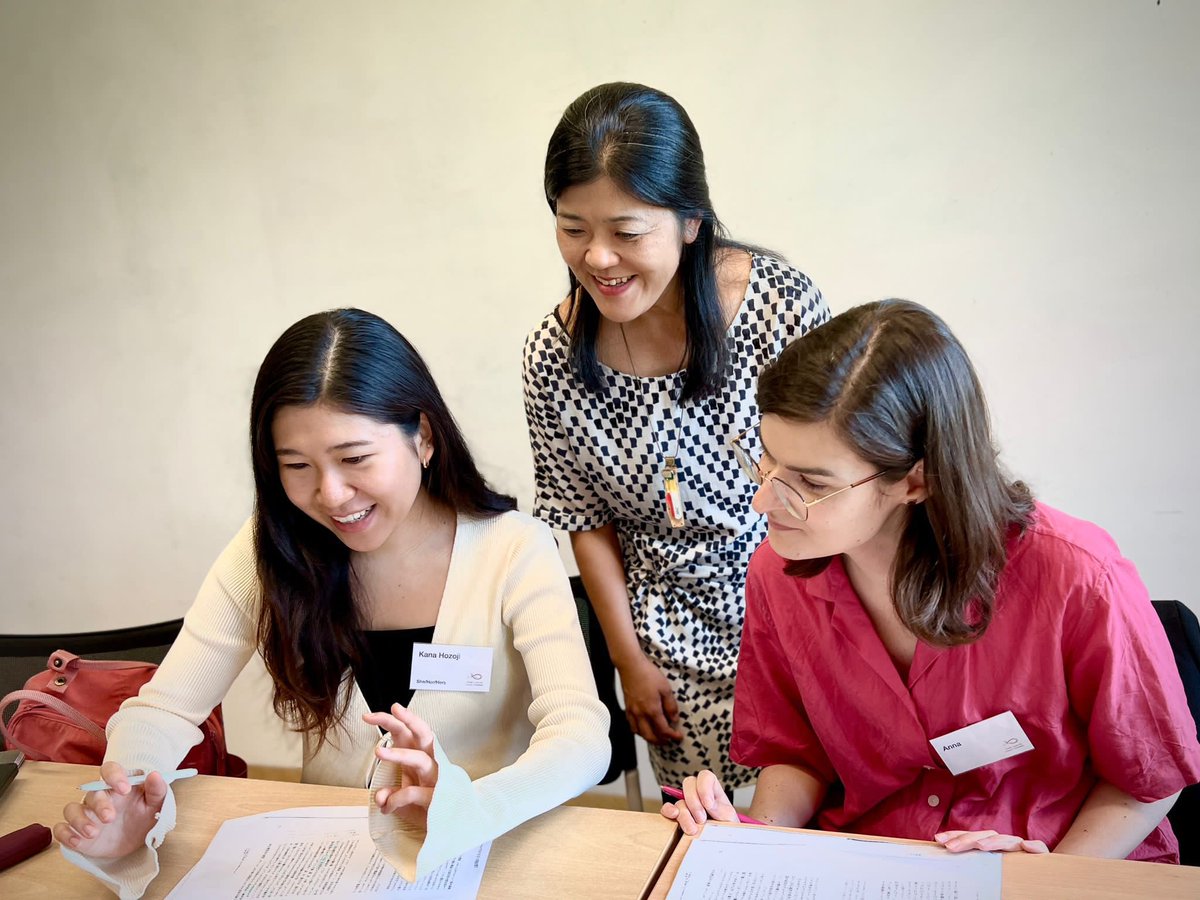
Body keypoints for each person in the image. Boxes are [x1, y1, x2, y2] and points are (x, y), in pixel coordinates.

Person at [54, 309, 610, 895]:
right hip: (329, 867)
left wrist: (467, 808)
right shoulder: (268, 550)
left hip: (492, 859)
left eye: (354, 459)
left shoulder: (511, 548)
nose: (331, 495)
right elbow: (164, 709)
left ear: (422, 436)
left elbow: (578, 734)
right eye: (297, 466)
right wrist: (128, 798)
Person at [661, 299, 1200, 861]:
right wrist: (754, 833)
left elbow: (1149, 777)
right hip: (878, 857)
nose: (763, 499)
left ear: (915, 482)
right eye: (766, 461)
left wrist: (1050, 880)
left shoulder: (1076, 574)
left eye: (810, 482)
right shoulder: (781, 573)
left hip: (1066, 857)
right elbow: (798, 754)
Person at [523, 82, 829, 792]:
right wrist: (629, 658)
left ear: (690, 221)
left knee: (821, 818)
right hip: (667, 644)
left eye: (627, 232)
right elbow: (584, 519)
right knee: (708, 836)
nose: (598, 257)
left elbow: (841, 475)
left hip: (798, 607)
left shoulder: (779, 307)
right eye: (573, 228)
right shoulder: (553, 356)